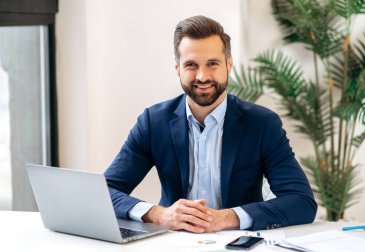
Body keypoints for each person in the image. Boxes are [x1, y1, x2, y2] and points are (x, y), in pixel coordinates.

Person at [104, 15, 317, 233]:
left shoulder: (262, 124)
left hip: (238, 244)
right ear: (177, 68)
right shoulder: (153, 122)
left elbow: (301, 202)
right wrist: (159, 214)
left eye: (212, 64)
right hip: (172, 244)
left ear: (229, 64)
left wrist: (228, 217)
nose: (202, 76)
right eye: (191, 65)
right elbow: (104, 191)